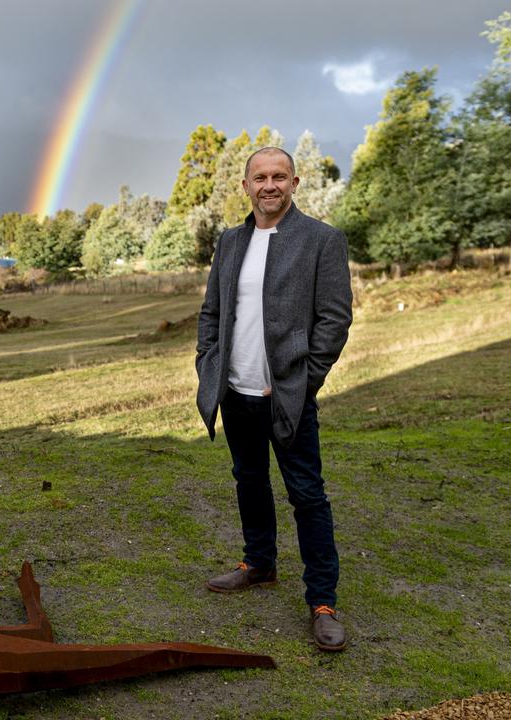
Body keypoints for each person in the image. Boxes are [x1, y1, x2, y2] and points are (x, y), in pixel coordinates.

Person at [194, 147, 353, 652]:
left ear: (294, 182)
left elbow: (335, 318)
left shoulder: (322, 240)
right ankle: (259, 564)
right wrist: (208, 363)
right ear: (245, 186)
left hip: (287, 396)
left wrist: (307, 380)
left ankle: (322, 602)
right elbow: (211, 313)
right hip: (235, 391)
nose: (269, 185)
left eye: (278, 176)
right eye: (259, 177)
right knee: (249, 480)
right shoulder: (230, 241)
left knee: (307, 495)